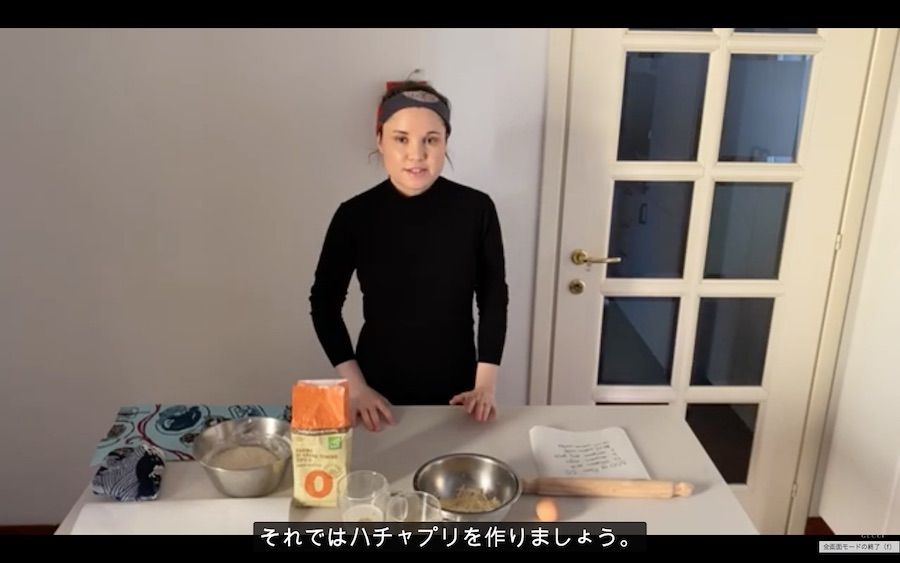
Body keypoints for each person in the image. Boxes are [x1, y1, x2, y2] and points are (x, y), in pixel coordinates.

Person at [309, 81, 508, 432]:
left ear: (445, 141)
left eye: (431, 140)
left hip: (459, 391)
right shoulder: (354, 215)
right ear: (380, 140)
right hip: (377, 394)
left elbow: (493, 297)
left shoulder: (476, 209)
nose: (416, 154)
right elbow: (324, 304)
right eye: (401, 139)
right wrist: (357, 387)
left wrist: (485, 385)